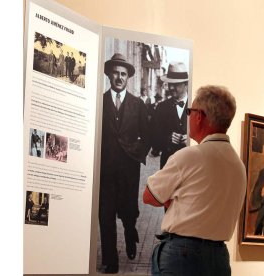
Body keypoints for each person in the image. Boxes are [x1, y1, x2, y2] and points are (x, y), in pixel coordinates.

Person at [143, 85, 246, 276]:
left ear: (199, 116)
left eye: (189, 111)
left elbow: (149, 196)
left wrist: (174, 199)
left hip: (182, 255)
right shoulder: (239, 166)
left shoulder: (189, 156)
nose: (187, 116)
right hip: (219, 257)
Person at [99, 53, 150, 274]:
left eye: (123, 74)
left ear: (128, 77)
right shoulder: (99, 103)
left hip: (129, 171)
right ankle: (111, 261)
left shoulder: (137, 105)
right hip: (106, 172)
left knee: (129, 213)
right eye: (116, 73)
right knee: (105, 216)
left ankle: (131, 234)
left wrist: (136, 153)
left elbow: (148, 136)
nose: (119, 77)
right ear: (109, 75)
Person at [152, 62, 189, 169]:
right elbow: (154, 141)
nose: (171, 87)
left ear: (186, 84)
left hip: (190, 168)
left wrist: (191, 140)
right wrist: (167, 139)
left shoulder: (196, 107)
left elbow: (205, 141)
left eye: (176, 84)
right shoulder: (161, 108)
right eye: (169, 84)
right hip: (167, 167)